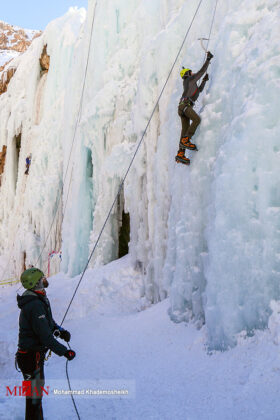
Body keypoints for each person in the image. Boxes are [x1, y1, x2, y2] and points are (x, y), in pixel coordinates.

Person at [16, 267, 76, 420]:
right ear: (36, 283)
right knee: (34, 398)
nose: (45, 280)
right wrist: (65, 352)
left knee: (35, 397)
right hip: (31, 357)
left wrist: (60, 331)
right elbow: (45, 337)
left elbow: (48, 323)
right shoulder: (34, 305)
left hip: (32, 356)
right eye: (42, 279)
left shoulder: (38, 299)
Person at [176, 51, 214, 165]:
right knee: (197, 119)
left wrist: (204, 81)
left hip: (183, 107)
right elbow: (201, 72)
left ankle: (180, 154)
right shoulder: (189, 80)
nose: (192, 73)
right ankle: (187, 140)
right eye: (190, 72)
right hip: (185, 106)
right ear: (187, 74)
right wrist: (208, 59)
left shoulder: (191, 84)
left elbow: (199, 91)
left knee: (184, 130)